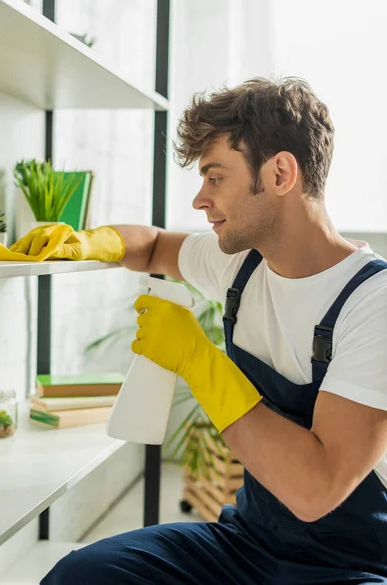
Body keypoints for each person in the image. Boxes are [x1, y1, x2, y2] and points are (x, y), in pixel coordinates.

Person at [29, 77, 387, 583]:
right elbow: (152, 246)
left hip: (350, 569)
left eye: (215, 177)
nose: (201, 199)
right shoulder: (240, 267)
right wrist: (88, 242)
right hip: (246, 544)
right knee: (82, 575)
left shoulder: (374, 303)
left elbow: (315, 490)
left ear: (281, 172)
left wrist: (200, 363)